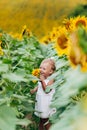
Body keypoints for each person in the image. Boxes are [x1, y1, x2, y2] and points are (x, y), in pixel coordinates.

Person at [30, 58, 56, 130]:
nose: (41, 70)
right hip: (41, 102)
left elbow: (46, 90)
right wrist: (34, 89)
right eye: (40, 67)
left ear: (50, 71)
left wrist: (42, 81)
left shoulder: (51, 79)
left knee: (46, 121)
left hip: (46, 104)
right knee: (41, 120)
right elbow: (39, 86)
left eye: (44, 69)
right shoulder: (42, 77)